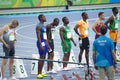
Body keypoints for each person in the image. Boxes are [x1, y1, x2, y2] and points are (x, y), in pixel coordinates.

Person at [36, 14, 50, 79]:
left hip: (45, 42)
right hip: (41, 43)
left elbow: (45, 36)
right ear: (40, 18)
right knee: (41, 57)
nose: (45, 17)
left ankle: (41, 72)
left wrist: (47, 44)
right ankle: (38, 73)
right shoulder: (38, 26)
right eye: (44, 17)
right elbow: (38, 36)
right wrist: (40, 43)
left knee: (44, 57)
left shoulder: (43, 26)